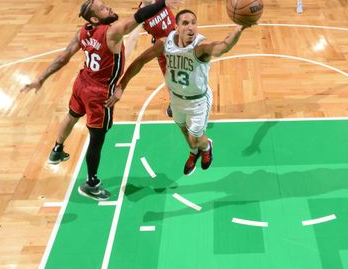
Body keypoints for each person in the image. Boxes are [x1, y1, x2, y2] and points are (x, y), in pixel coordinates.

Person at [22, 0, 188, 200]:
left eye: (105, 5)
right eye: (102, 8)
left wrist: (41, 78)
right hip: (99, 93)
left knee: (72, 115)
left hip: (82, 82)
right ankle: (91, 183)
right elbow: (139, 17)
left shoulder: (83, 31)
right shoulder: (112, 32)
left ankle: (57, 149)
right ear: (94, 18)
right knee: (96, 138)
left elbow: (64, 57)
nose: (108, 8)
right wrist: (162, 3)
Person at [106, 9, 252, 176]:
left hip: (198, 102)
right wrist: (122, 86)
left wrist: (238, 28)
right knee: (184, 131)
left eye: (194, 23)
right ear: (176, 27)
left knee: (196, 137)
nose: (191, 27)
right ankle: (193, 152)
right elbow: (140, 61)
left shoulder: (200, 47)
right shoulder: (165, 43)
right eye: (185, 23)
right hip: (176, 99)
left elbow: (222, 48)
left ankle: (206, 147)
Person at [136, 0, 206, 118]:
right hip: (164, 49)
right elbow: (131, 39)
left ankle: (196, 98)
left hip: (181, 41)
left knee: (191, 71)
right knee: (170, 79)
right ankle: (174, 102)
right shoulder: (139, 16)